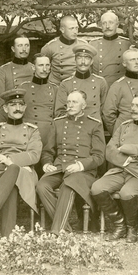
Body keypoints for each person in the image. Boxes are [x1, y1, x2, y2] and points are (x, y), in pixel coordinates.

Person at [91, 95, 138, 242]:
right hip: (122, 168)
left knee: (127, 193)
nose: (133, 109)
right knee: (97, 188)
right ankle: (120, 225)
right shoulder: (124, 126)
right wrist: (124, 159)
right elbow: (109, 150)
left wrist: (123, 147)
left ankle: (132, 227)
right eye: (132, 105)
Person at [37, 90, 106, 233]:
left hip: (83, 171)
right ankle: (66, 229)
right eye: (68, 102)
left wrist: (80, 165)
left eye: (75, 102)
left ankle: (57, 231)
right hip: (60, 167)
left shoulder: (94, 124)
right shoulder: (58, 123)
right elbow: (48, 150)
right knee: (42, 186)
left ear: (84, 105)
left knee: (69, 185)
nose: (70, 105)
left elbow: (99, 156)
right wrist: (47, 164)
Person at [0, 89, 43, 237]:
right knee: (12, 184)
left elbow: (34, 155)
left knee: (14, 170)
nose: (17, 108)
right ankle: (8, 236)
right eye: (13, 105)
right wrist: (9, 166)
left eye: (21, 104)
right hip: (0, 172)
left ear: (25, 107)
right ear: (5, 108)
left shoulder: (32, 130)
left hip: (24, 173)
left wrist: (10, 161)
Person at [55, 40, 109, 127]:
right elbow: (60, 112)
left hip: (95, 127)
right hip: (73, 127)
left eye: (87, 58)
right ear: (75, 60)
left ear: (91, 62)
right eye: (79, 57)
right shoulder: (66, 84)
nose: (83, 62)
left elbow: (105, 110)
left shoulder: (100, 82)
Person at [101, 46, 138, 136]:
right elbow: (108, 114)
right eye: (132, 60)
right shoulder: (118, 85)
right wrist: (116, 133)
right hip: (126, 132)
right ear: (124, 64)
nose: (137, 62)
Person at [21, 52, 60, 146]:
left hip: (49, 135)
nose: (45, 69)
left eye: (47, 65)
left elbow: (59, 115)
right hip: (29, 135)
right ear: (33, 67)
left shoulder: (55, 89)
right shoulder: (23, 88)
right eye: (41, 65)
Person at [88, 11, 134, 89]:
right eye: (104, 23)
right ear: (101, 26)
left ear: (117, 25)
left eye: (111, 23)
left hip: (120, 88)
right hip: (99, 88)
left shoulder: (127, 44)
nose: (107, 26)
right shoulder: (93, 44)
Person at [40, 14, 81, 83]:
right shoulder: (50, 47)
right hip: (57, 86)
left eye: (76, 28)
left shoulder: (83, 45)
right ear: (62, 29)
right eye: (71, 28)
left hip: (76, 85)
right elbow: (42, 68)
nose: (75, 32)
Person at [0, 33, 35, 99]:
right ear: (13, 49)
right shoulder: (3, 70)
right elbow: (0, 98)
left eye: (27, 45)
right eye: (20, 46)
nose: (24, 49)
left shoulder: (34, 69)